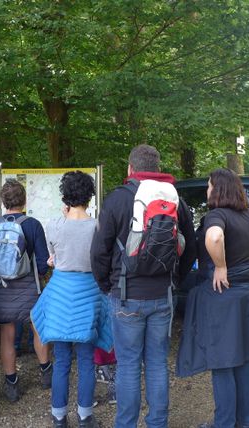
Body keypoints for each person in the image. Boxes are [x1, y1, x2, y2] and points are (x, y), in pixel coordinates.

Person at [90, 144, 196, 428]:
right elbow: (191, 247)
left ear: (130, 168)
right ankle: (157, 423)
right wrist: (175, 279)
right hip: (162, 294)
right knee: (158, 363)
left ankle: (126, 424)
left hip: (125, 294)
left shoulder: (117, 199)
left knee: (128, 365)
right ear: (158, 168)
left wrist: (106, 284)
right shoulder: (174, 199)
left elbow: (99, 251)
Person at [176, 169, 249, 428]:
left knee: (223, 362)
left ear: (218, 189)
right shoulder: (248, 214)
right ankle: (243, 422)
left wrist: (220, 265)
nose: (207, 190)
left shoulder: (217, 215)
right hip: (245, 294)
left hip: (222, 295)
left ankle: (223, 423)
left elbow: (214, 237)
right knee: (243, 360)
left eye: (209, 186)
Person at [31, 171, 112, 428]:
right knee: (87, 358)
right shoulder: (98, 227)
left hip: (60, 293)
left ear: (64, 196)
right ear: (89, 197)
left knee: (62, 359)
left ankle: (58, 417)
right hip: (88, 293)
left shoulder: (54, 225)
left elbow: (53, 258)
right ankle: (85, 416)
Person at [0, 179, 52, 403]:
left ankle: (11, 383)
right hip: (28, 287)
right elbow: (42, 262)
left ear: (2, 201)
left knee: (7, 335)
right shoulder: (33, 225)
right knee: (38, 329)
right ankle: (46, 372)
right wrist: (35, 273)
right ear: (24, 200)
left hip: (1, 288)